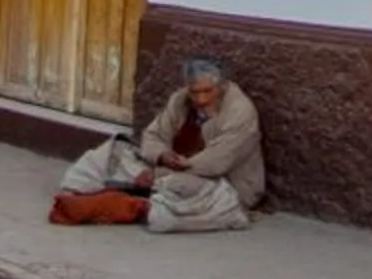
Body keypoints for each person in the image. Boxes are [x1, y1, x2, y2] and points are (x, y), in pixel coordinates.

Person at [54, 57, 265, 231]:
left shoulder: (240, 112)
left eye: (207, 92)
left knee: (185, 196)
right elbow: (153, 136)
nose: (200, 99)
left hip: (219, 183)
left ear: (222, 87)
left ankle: (133, 205)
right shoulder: (180, 100)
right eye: (194, 92)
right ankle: (78, 191)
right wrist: (162, 155)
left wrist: (159, 174)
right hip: (169, 169)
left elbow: (216, 163)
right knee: (114, 151)